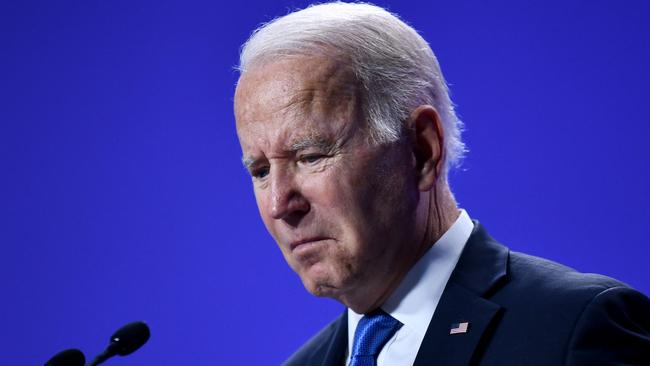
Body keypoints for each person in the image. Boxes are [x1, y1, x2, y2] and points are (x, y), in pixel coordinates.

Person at [233, 2, 650, 365]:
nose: (279, 204)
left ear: (421, 149)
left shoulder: (574, 329)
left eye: (310, 156)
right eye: (261, 171)